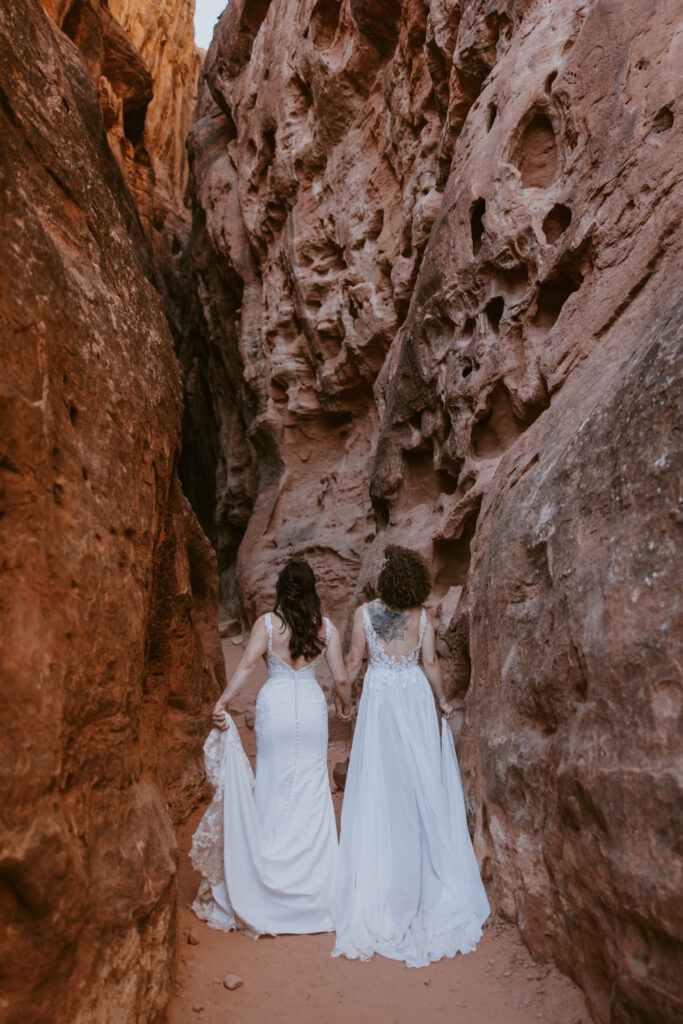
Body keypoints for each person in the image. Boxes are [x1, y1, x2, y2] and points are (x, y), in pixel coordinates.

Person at [332, 545, 490, 966]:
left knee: (383, 784)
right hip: (414, 697)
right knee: (419, 780)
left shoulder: (365, 614)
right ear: (414, 580)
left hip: (381, 699)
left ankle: (383, 876)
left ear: (385, 580)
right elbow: (431, 661)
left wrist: (342, 699)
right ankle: (425, 874)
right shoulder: (423, 617)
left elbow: (351, 661)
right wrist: (442, 701)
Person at [190, 560, 351, 937]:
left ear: (281, 589)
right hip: (310, 709)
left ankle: (265, 876)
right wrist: (344, 705)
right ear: (313, 590)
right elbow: (341, 677)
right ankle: (314, 888)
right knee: (312, 787)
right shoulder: (326, 629)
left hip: (275, 706)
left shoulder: (267, 624)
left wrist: (223, 702)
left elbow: (247, 666)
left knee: (273, 783)